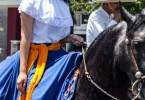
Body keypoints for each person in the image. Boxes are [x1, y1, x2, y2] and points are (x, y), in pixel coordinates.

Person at [0, 0, 84, 100]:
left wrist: (71, 38)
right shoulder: (31, 3)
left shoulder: (63, 3)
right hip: (34, 58)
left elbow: (55, 38)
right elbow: (26, 39)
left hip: (58, 57)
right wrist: (22, 72)